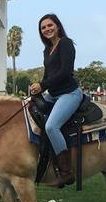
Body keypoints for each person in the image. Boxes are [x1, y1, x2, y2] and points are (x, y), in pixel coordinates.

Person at [28, 13, 81, 185]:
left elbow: (65, 72)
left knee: (51, 126)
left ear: (57, 26)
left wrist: (43, 85)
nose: (47, 29)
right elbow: (49, 75)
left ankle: (66, 171)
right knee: (29, 109)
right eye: (43, 28)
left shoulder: (66, 44)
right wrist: (38, 88)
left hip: (69, 93)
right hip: (53, 94)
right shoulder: (47, 49)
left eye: (50, 25)